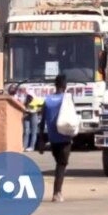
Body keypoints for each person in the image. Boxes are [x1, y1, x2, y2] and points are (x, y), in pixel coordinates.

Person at [38, 74, 73, 203]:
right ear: (65, 86)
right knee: (61, 165)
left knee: (59, 163)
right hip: (64, 137)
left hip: (53, 139)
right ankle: (57, 193)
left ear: (55, 85)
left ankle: (57, 192)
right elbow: (71, 117)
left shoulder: (47, 100)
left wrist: (41, 140)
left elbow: (41, 122)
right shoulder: (66, 99)